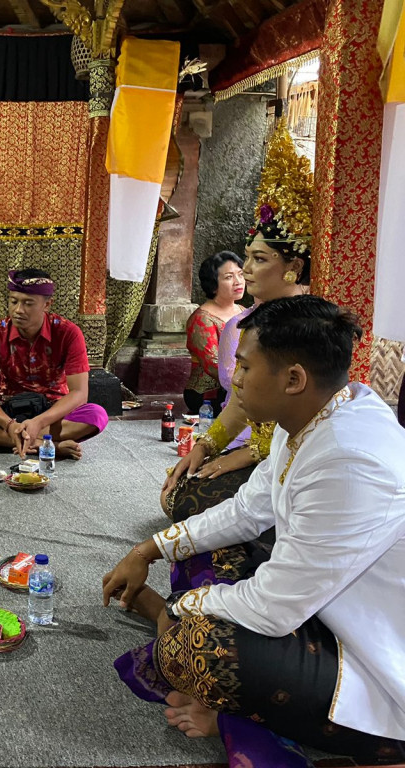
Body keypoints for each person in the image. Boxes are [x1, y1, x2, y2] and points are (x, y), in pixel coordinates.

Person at [103, 296, 405, 766]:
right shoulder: (310, 413)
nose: (234, 377)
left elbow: (273, 609)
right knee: (198, 536)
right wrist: (149, 549)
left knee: (198, 647)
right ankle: (227, 690)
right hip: (316, 603)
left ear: (293, 379)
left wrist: (180, 608)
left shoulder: (349, 459)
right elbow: (247, 510)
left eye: (244, 366)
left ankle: (236, 712)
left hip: (371, 657)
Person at [161, 121, 310, 520]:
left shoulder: (311, 328)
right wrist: (204, 447)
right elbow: (240, 400)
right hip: (253, 445)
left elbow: (306, 417)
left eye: (259, 259)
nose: (245, 270)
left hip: (298, 459)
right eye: (246, 258)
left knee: (194, 507)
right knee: (179, 493)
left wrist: (249, 454)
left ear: (294, 267)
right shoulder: (249, 322)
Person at [0, 268, 108, 460]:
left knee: (96, 415)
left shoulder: (69, 333)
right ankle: (48, 446)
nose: (18, 310)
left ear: (47, 304)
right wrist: (9, 425)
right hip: (9, 408)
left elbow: (79, 393)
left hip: (52, 409)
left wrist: (39, 422)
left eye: (28, 303)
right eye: (13, 301)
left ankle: (1, 440)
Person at [183, 251, 245, 416]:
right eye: (229, 277)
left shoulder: (243, 311)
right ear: (213, 284)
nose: (238, 281)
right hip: (209, 394)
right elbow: (214, 365)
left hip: (242, 382)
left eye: (241, 274)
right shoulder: (202, 319)